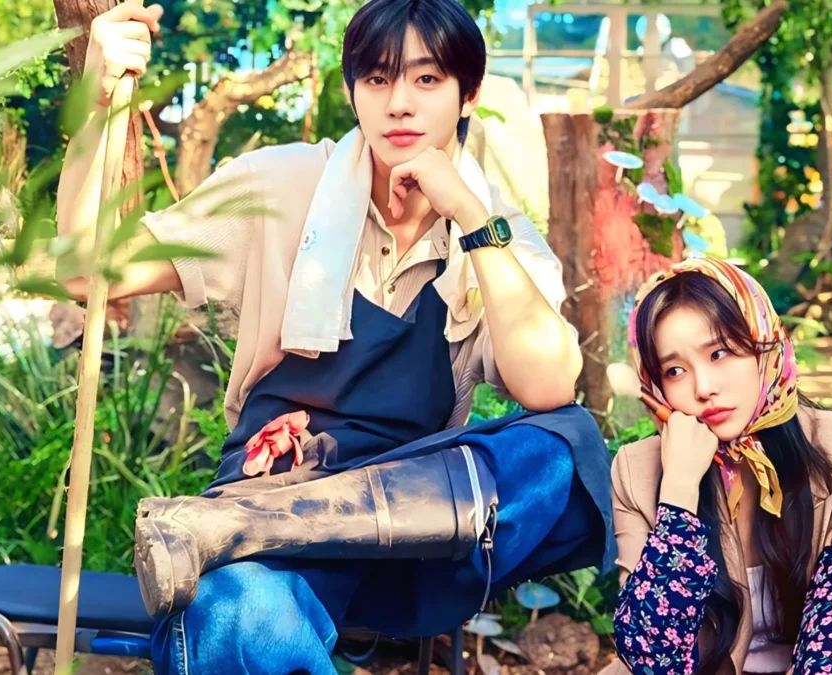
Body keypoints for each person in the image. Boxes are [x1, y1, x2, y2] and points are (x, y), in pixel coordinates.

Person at [55, 0, 615, 672]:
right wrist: (96, 106)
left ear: (468, 94)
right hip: (273, 504)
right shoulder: (281, 186)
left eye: (427, 79)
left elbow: (549, 386)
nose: (399, 104)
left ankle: (242, 533)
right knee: (235, 612)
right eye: (377, 79)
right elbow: (89, 272)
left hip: (415, 528)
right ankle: (262, 535)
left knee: (564, 444)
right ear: (353, 91)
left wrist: (469, 215)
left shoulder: (494, 231)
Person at [600, 258, 832, 675]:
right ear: (655, 388)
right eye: (675, 370)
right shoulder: (636, 471)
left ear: (764, 345)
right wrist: (679, 493)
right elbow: (650, 657)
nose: (704, 388)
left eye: (719, 353)